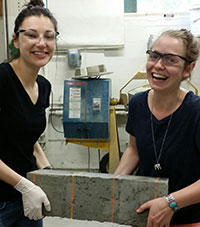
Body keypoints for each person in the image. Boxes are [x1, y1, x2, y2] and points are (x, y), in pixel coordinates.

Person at [115, 29, 200, 226]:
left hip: (188, 217)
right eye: (154, 56)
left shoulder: (195, 111)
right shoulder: (137, 103)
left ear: (188, 69)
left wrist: (170, 203)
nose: (158, 65)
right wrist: (115, 182)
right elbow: (134, 150)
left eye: (170, 60)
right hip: (145, 213)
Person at [0, 0, 59, 226]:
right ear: (16, 40)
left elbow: (30, 140)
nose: (41, 43)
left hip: (27, 198)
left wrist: (49, 175)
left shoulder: (43, 86)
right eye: (32, 35)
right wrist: (24, 185)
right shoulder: (3, 79)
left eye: (49, 36)